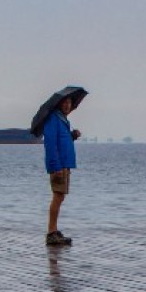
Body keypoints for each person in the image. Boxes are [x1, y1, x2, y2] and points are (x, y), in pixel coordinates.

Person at [42, 94, 81, 246]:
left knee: (60, 197)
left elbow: (63, 141)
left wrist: (73, 136)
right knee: (57, 196)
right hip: (58, 165)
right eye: (64, 102)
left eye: (69, 102)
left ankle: (54, 231)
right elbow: (50, 144)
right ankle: (51, 233)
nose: (67, 105)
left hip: (65, 163)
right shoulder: (53, 118)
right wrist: (55, 166)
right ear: (59, 104)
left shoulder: (63, 120)